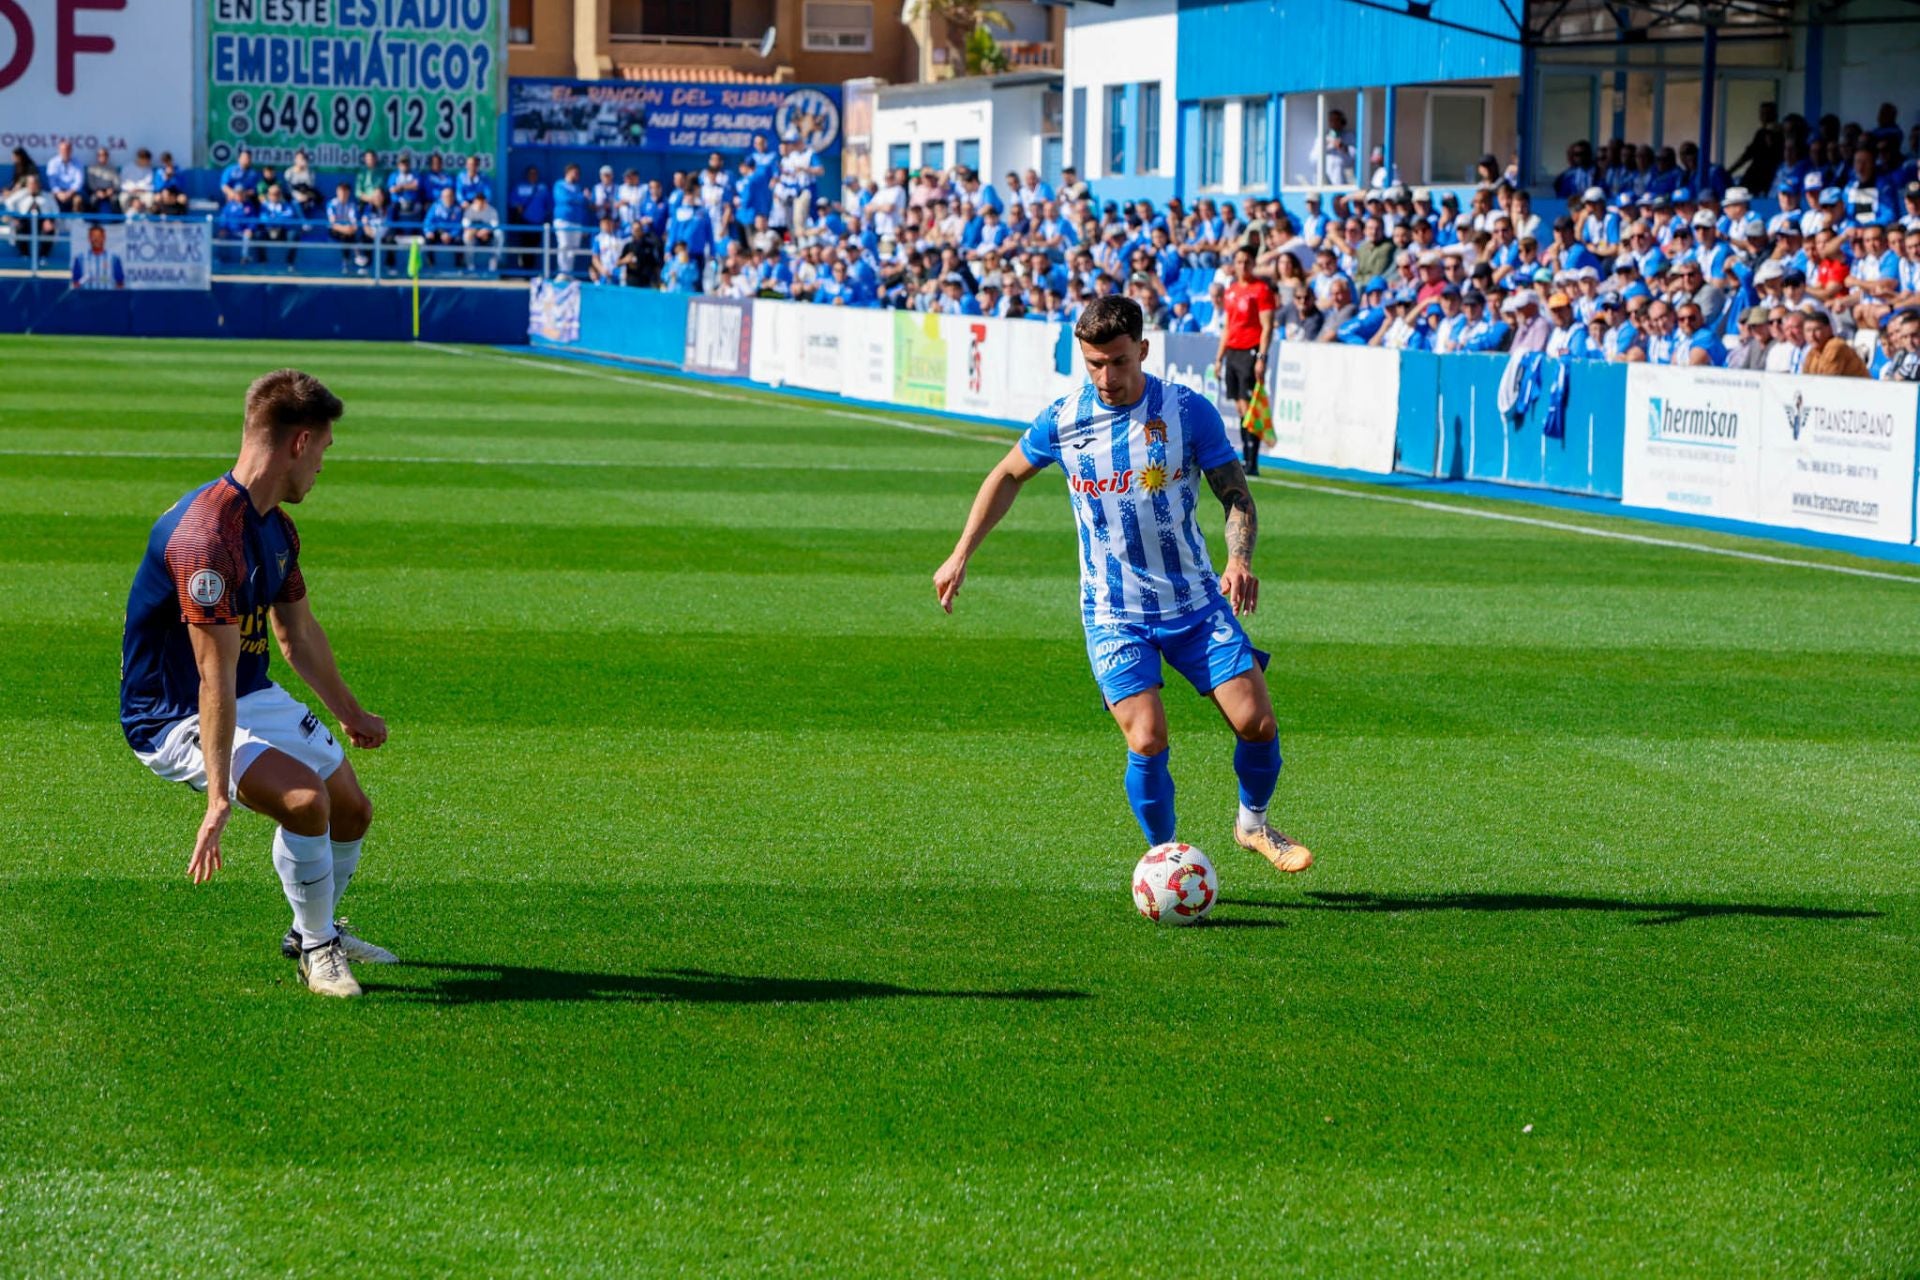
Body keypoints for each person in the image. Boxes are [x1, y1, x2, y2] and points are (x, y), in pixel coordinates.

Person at [932, 296, 1311, 875]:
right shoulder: (1064, 418)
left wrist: (1239, 559)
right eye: (1093, 364)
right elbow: (1006, 474)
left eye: (1117, 361)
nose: (1106, 376)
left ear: (1143, 350)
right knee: (1147, 738)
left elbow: (1234, 492)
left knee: (1258, 723)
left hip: (1196, 603)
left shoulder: (1188, 411)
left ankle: (1253, 826)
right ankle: (1166, 860)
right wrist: (960, 554)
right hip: (1115, 612)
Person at [119, 371, 390, 999]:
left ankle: (309, 930)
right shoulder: (208, 537)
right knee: (303, 801)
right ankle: (318, 949)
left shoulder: (275, 528)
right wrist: (218, 797)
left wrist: (349, 711)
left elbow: (295, 633)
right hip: (174, 713)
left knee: (351, 808)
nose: (324, 465)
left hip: (245, 688)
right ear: (298, 443)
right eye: (324, 449)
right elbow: (211, 677)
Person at [1213, 247, 1276, 476]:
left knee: (1251, 408)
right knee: (1240, 407)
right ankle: (1247, 458)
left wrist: (1261, 356)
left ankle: (1253, 461)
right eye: (1239, 261)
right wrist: (1219, 357)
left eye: (1247, 261)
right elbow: (1228, 326)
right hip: (1233, 352)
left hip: (1250, 351)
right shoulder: (1231, 291)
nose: (1243, 265)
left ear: (1253, 263)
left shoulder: (1261, 290)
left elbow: (1267, 326)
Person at [1801, 308, 1869, 376]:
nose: (1812, 335)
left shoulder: (1836, 346)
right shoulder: (1812, 352)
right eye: (1808, 330)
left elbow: (1828, 381)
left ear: (1829, 329)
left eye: (1817, 329)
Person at [69, 223, 125, 289]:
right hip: (86, 297)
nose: (96, 239)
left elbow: (120, 283)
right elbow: (76, 283)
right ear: (89, 238)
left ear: (104, 238)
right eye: (93, 236)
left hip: (108, 298)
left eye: (99, 236)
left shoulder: (114, 258)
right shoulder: (80, 258)